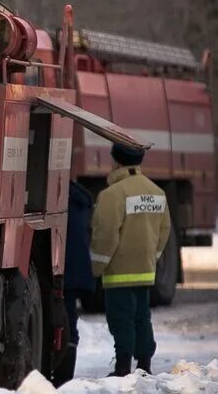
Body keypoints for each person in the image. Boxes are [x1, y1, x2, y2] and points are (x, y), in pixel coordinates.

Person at [90, 143, 171, 377]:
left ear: (116, 161)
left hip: (118, 271)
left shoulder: (111, 195)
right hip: (144, 270)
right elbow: (164, 230)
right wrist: (152, 256)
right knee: (142, 317)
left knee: (121, 318)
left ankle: (122, 366)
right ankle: (144, 364)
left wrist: (97, 266)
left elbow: (105, 235)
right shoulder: (157, 192)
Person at [52, 180, 95, 387]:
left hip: (64, 268)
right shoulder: (80, 198)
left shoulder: (58, 195)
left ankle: (61, 374)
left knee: (62, 319)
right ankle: (65, 375)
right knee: (70, 319)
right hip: (77, 269)